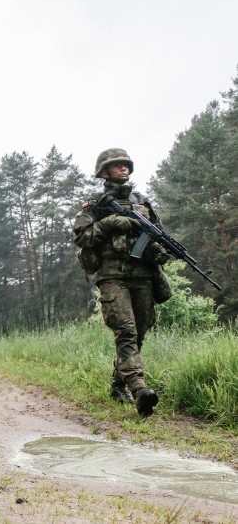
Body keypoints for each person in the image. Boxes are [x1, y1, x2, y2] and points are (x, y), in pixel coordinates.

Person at [73, 148, 168, 417]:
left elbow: (159, 235)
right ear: (104, 171)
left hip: (143, 276)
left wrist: (160, 249)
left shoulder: (142, 201)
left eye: (126, 164)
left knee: (140, 332)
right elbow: (81, 238)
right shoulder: (95, 204)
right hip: (113, 276)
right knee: (125, 331)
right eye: (117, 165)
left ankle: (118, 385)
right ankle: (139, 389)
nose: (123, 168)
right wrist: (110, 223)